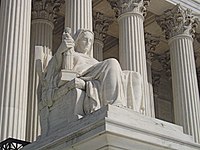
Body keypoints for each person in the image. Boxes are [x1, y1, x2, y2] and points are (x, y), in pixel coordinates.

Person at [40, 28, 143, 116]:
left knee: (134, 76)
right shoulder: (71, 54)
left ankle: (133, 113)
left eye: (90, 41)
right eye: (85, 40)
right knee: (112, 62)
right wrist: (61, 50)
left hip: (95, 75)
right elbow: (54, 68)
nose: (88, 43)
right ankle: (114, 104)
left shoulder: (94, 60)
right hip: (83, 75)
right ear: (77, 40)